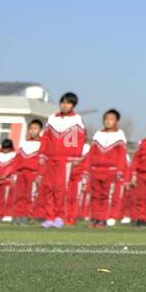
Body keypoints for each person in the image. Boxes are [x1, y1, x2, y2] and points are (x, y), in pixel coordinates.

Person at [40, 93, 86, 228]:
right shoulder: (52, 118)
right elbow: (46, 137)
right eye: (63, 102)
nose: (65, 105)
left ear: (73, 105)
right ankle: (49, 217)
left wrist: (76, 156)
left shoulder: (77, 119)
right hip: (50, 158)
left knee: (60, 189)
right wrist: (42, 154)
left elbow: (80, 139)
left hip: (66, 159)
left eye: (68, 103)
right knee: (48, 188)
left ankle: (59, 216)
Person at [83, 109, 128, 227]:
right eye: (106, 119)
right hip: (95, 169)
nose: (108, 122)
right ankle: (95, 218)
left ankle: (103, 219)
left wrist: (119, 170)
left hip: (111, 170)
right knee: (95, 195)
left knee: (106, 196)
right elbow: (91, 153)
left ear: (116, 121)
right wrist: (87, 169)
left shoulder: (120, 135)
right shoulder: (98, 134)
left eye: (111, 119)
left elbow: (122, 155)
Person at [13, 119, 44, 224]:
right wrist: (15, 172)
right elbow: (17, 159)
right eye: (31, 129)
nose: (32, 131)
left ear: (40, 130)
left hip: (33, 173)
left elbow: (43, 162)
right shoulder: (24, 143)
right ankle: (18, 215)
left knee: (30, 195)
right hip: (21, 173)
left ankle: (28, 215)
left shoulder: (42, 144)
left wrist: (40, 175)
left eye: (35, 128)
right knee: (19, 195)